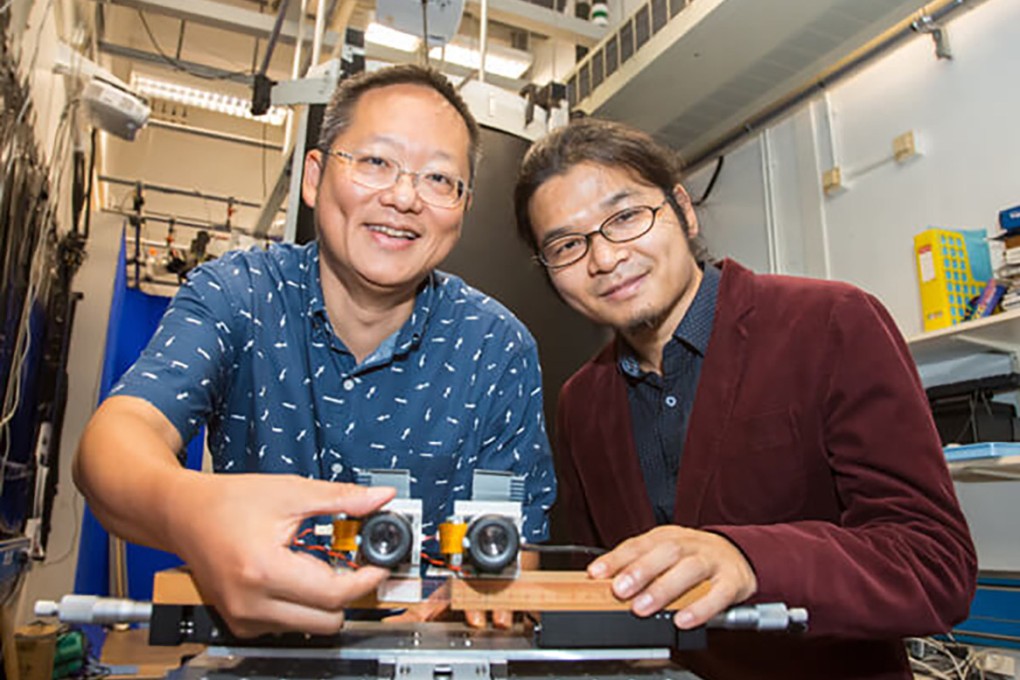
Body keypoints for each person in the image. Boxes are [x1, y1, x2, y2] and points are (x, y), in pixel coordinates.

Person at [73, 64, 556, 638]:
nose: (403, 197)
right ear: (314, 177)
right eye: (376, 161)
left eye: (438, 179)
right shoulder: (238, 295)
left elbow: (518, 545)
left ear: (462, 209)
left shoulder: (497, 348)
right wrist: (193, 511)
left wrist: (484, 596)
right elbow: (113, 445)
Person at [512, 118, 976, 680]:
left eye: (627, 217)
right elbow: (610, 582)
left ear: (682, 211)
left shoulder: (831, 323)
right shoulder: (580, 402)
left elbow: (935, 564)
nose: (604, 259)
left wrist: (750, 559)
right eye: (566, 244)